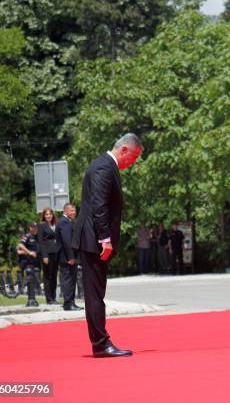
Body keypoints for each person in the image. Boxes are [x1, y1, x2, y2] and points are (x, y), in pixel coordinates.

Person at [72, 133, 143, 358]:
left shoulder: (103, 165)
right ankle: (101, 344)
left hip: (94, 239)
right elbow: (99, 206)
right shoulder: (104, 167)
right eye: (132, 158)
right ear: (123, 150)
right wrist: (105, 238)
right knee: (94, 295)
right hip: (95, 240)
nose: (131, 164)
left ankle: (100, 342)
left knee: (96, 293)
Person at [57, 203, 82, 311]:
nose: (74, 213)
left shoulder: (67, 221)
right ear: (66, 211)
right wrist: (71, 257)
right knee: (68, 280)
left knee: (72, 280)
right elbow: (67, 241)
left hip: (69, 257)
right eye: (72, 211)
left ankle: (71, 302)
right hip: (67, 258)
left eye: (75, 211)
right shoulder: (64, 222)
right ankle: (68, 304)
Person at [38, 207, 61, 304]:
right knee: (48, 276)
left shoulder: (56, 224)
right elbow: (41, 241)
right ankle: (49, 298)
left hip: (56, 253)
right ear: (44, 216)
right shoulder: (42, 225)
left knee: (54, 276)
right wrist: (44, 255)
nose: (48, 216)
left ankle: (53, 297)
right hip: (47, 254)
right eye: (46, 214)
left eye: (50, 214)